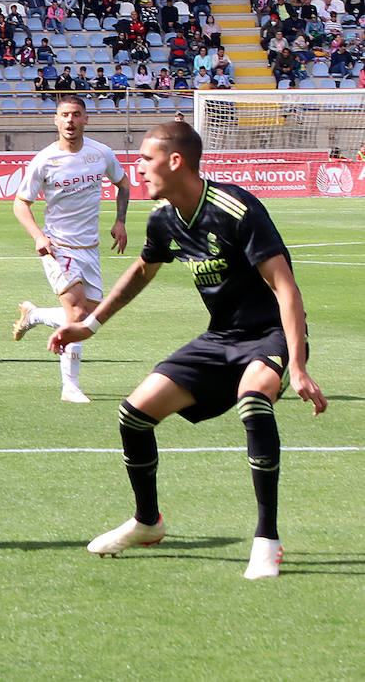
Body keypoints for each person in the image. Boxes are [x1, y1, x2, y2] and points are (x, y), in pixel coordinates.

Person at [50, 122, 327, 579]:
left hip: (268, 334)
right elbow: (143, 270)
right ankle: (147, 522)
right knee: (133, 413)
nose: (137, 169)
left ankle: (266, 540)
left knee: (254, 401)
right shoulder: (163, 218)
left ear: (174, 161)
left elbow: (286, 288)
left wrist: (296, 366)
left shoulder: (235, 208)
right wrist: (90, 324)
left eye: (145, 159)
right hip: (220, 338)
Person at [11, 94, 131, 404]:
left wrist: (120, 221)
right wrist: (38, 236)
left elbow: (124, 183)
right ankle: (70, 387)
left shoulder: (101, 153)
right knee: (77, 314)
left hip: (89, 249)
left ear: (85, 119)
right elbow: (21, 204)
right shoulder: (44, 159)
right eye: (64, 114)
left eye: (76, 114)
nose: (70, 120)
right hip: (58, 246)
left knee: (89, 316)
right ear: (56, 119)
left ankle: (35, 315)